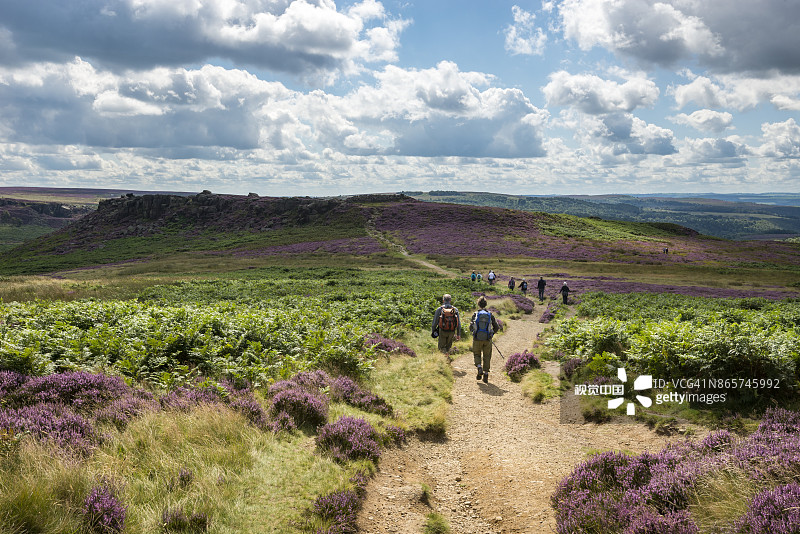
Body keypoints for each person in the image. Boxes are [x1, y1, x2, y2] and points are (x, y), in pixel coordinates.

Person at [470, 297, 500, 384]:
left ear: (478, 304)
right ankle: (486, 374)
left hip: (477, 339)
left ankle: (479, 367)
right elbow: (496, 327)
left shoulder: (476, 314)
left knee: (477, 354)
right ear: (486, 304)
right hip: (487, 339)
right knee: (487, 356)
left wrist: (474, 333)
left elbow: (471, 327)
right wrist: (491, 334)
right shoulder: (490, 314)